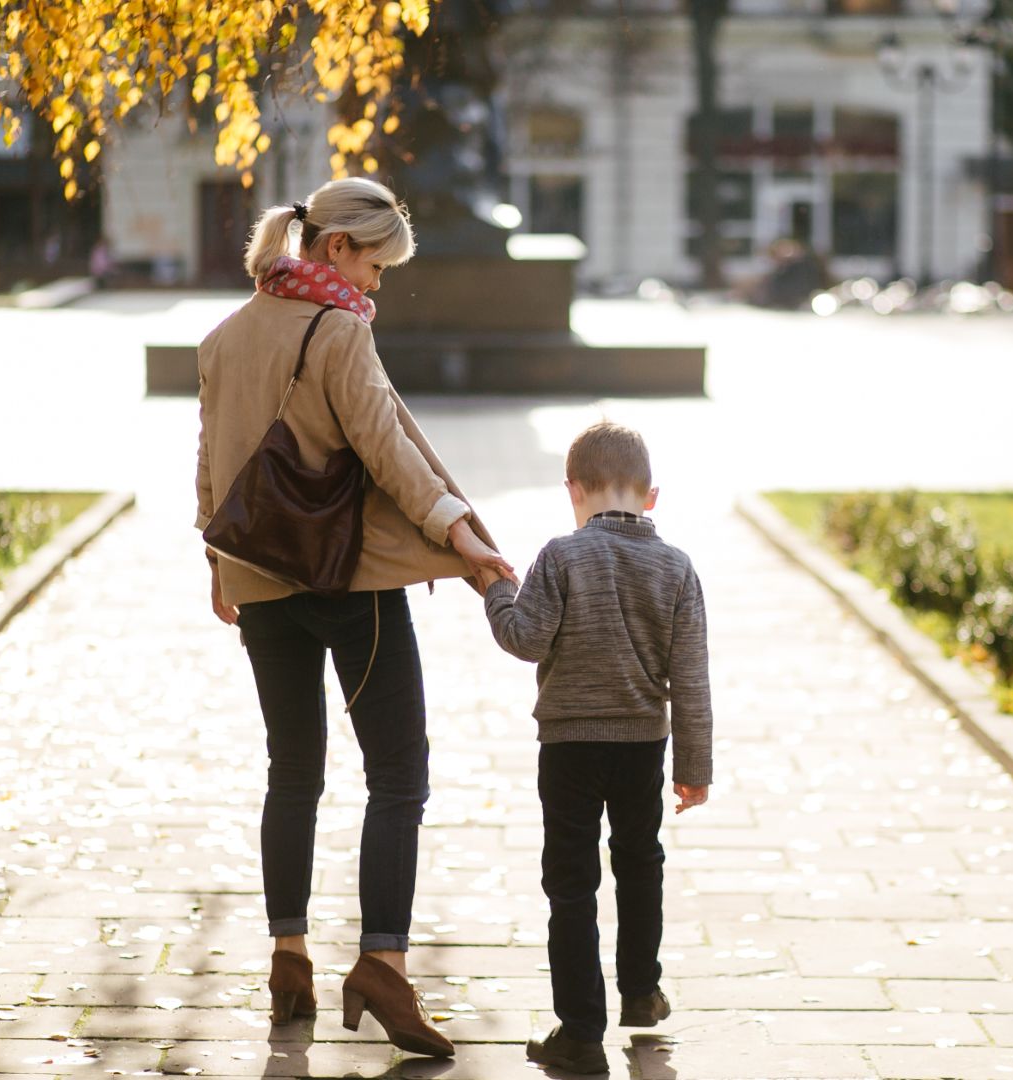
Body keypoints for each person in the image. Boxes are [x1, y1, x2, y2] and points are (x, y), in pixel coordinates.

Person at [194, 176, 514, 1057]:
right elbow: (389, 449)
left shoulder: (225, 336)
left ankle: (288, 958)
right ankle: (382, 965)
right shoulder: (338, 333)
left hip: (259, 578)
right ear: (336, 249)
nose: (377, 286)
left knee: (292, 771)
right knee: (399, 777)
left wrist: (218, 562)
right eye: (376, 266)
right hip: (351, 584)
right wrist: (464, 539)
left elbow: (211, 462)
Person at [477, 421, 713, 1074]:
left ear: (572, 490)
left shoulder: (560, 556)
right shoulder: (677, 568)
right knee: (641, 862)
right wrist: (694, 769)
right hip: (644, 745)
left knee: (572, 884)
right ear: (652, 496)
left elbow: (524, 637)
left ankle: (581, 1031)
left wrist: (497, 589)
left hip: (570, 748)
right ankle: (640, 990)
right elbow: (690, 678)